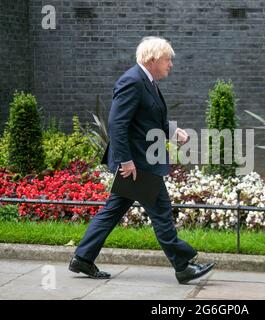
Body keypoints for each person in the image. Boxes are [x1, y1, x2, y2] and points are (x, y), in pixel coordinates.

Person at [69, 36, 215, 284]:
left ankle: (82, 258)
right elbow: (117, 123)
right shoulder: (132, 81)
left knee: (113, 211)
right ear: (153, 59)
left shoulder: (146, 82)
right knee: (161, 212)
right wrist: (125, 161)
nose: (171, 65)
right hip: (138, 164)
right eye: (168, 59)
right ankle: (182, 266)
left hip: (140, 162)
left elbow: (146, 120)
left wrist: (172, 130)